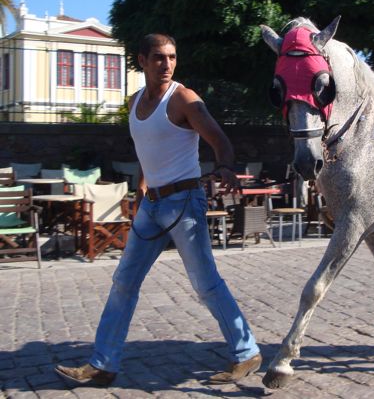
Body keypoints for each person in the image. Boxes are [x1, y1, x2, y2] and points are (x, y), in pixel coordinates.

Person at [55, 33, 261, 387]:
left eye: (171, 57)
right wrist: (141, 190)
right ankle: (103, 364)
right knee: (124, 281)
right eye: (158, 57)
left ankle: (247, 353)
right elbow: (148, 152)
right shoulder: (135, 102)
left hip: (185, 203)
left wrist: (225, 166)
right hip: (151, 206)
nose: (166, 64)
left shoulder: (184, 99)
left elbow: (219, 140)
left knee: (205, 283)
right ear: (142, 61)